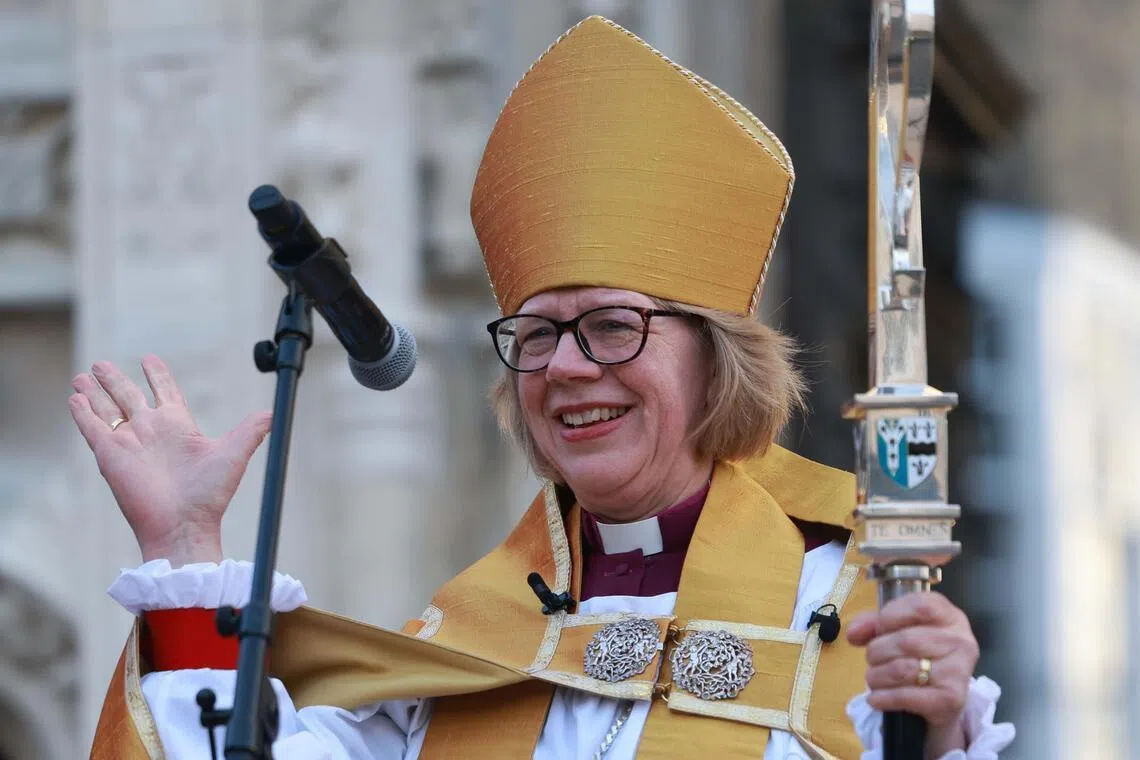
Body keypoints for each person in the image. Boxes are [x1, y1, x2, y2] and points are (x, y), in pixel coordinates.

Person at [76, 16, 1014, 760]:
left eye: (612, 325)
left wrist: (930, 741)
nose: (566, 366)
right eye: (535, 335)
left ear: (716, 354)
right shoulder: (463, 645)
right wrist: (184, 545)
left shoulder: (856, 613)